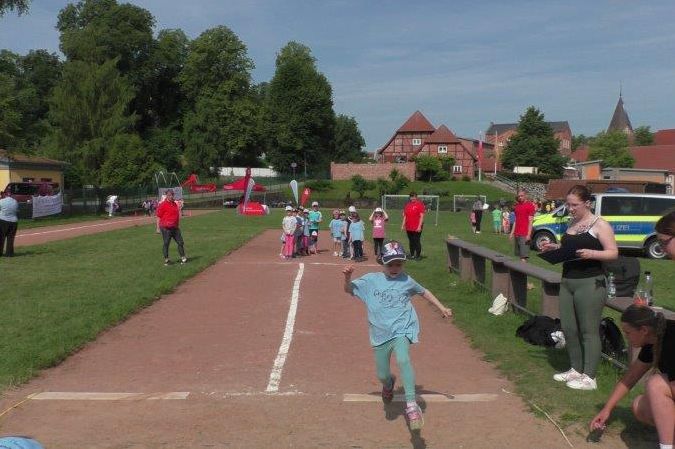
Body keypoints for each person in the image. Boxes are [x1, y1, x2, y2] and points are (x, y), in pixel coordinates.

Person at [342, 241, 452, 430]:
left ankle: (412, 405)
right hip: (380, 334)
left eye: (399, 264)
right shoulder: (371, 280)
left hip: (402, 329)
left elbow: (424, 292)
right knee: (382, 374)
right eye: (390, 264)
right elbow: (349, 289)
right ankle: (388, 384)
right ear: (382, 262)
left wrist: (442, 307)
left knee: (403, 359)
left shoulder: (406, 280)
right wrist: (347, 277)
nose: (395, 268)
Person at [541, 185, 618, 390]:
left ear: (587, 203)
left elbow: (613, 252)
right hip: (568, 281)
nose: (570, 208)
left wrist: (592, 254)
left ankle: (590, 377)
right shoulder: (572, 222)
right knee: (569, 328)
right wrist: (556, 248)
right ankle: (575, 369)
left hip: (591, 282)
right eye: (568, 204)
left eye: (574, 205)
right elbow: (571, 248)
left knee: (588, 330)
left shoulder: (600, 224)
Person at [590, 305, 673, 448]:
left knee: (655, 385)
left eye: (628, 333)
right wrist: (607, 409)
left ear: (644, 330)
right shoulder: (652, 341)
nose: (626, 338)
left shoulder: (671, 339)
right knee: (640, 407)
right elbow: (630, 378)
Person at [156, 189, 188, 266]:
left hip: (175, 227)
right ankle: (167, 260)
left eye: (172, 195)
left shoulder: (174, 204)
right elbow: (158, 216)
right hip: (166, 228)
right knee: (166, 243)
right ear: (166, 196)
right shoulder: (163, 205)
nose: (171, 196)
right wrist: (157, 228)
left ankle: (183, 258)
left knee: (180, 242)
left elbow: (177, 212)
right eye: (169, 195)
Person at [509, 189, 536, 262]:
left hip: (524, 234)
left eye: (522, 196)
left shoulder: (530, 206)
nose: (520, 197)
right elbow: (515, 221)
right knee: (519, 256)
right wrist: (512, 233)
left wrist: (528, 235)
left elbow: (530, 221)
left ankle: (524, 268)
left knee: (523, 257)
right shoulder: (517, 206)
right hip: (517, 233)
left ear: (526, 196)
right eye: (519, 196)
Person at [401, 192, 425, 260]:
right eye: (411, 197)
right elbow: (405, 216)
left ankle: (418, 256)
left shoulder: (420, 204)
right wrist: (402, 225)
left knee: (416, 241)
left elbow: (421, 216)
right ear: (410, 197)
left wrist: (419, 226)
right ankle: (412, 255)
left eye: (414, 197)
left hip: (417, 227)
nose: (413, 198)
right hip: (409, 226)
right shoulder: (407, 205)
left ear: (416, 197)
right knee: (411, 241)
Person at [0, 190, 19, 257]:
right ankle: (9, 253)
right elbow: (16, 210)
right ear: (11, 194)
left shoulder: (1, 201)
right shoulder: (15, 201)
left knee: (1, 237)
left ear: (5, 194)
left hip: (3, 220)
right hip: (13, 221)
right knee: (10, 238)